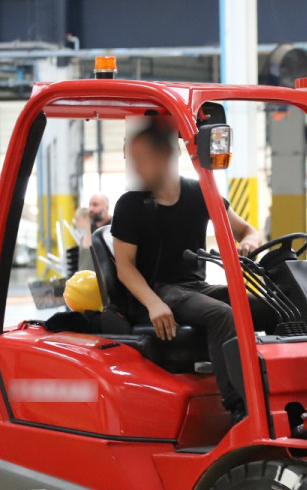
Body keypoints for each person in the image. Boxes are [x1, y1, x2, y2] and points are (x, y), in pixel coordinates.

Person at [110, 117, 272, 424]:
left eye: (141, 159)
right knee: (221, 314)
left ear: (167, 156)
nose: (135, 168)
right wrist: (154, 303)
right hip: (158, 291)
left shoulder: (200, 193)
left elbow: (247, 230)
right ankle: (241, 410)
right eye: (132, 160)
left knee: (267, 308)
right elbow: (125, 268)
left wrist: (249, 242)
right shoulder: (130, 205)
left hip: (194, 288)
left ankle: (280, 391)